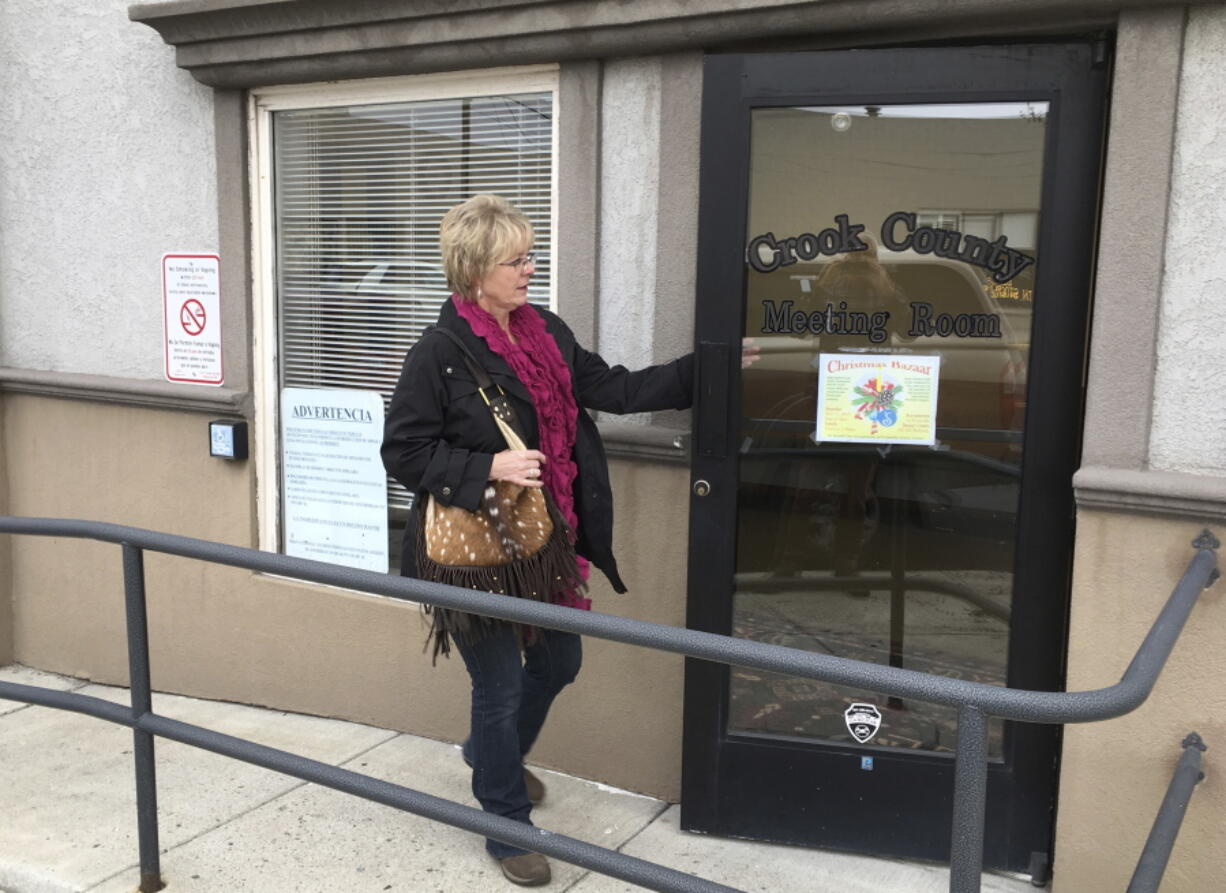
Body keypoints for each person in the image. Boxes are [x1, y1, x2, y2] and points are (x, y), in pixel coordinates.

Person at [381, 194, 694, 886]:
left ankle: (488, 756)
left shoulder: (546, 331)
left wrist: (713, 368)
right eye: (515, 259)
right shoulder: (437, 354)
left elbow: (614, 388)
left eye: (530, 256)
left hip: (544, 543)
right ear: (472, 269)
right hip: (474, 556)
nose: (529, 269)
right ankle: (504, 822)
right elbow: (402, 451)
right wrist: (486, 466)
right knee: (496, 685)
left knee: (559, 662)